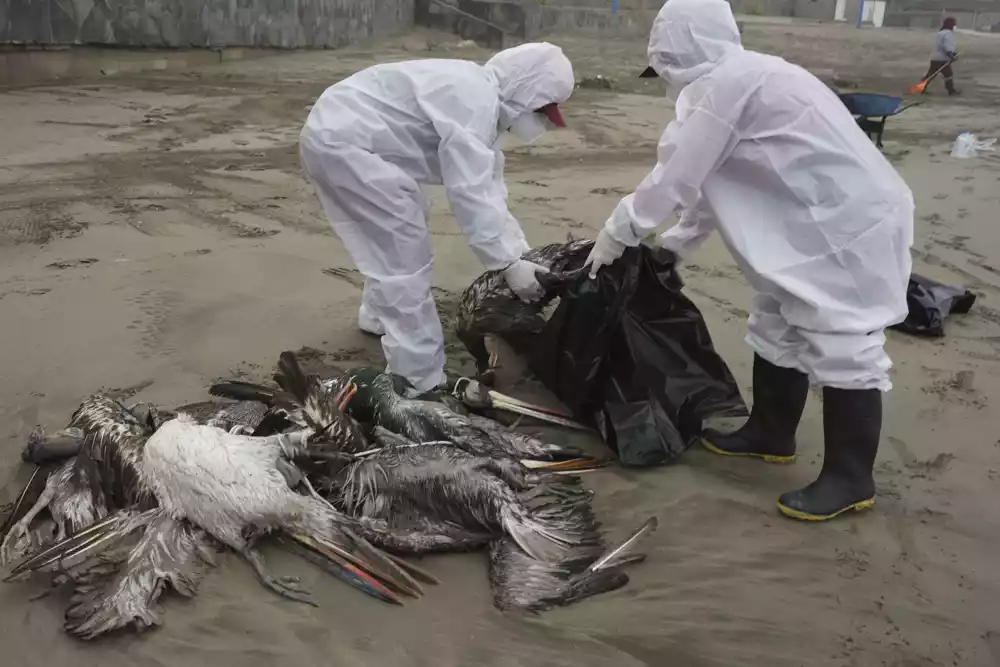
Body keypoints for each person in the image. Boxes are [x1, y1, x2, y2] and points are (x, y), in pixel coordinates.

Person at [585, 0, 914, 522]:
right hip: (811, 220)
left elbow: (675, 180)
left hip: (847, 224)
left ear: (679, 51)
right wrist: (676, 246)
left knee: (843, 339)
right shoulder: (741, 80)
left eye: (665, 63)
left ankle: (851, 478)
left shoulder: (731, 86)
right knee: (775, 319)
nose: (666, 76)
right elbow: (714, 183)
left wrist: (614, 235)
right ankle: (771, 433)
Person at [300, 43, 574, 393]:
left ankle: (378, 315)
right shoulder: (474, 101)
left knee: (397, 230)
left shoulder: (480, 97)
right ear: (525, 92)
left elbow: (490, 184)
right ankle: (416, 378)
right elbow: (471, 194)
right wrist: (507, 262)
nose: (540, 124)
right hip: (347, 143)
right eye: (540, 112)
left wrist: (521, 256)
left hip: (347, 134)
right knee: (404, 255)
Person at [925, 17, 960, 96]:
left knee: (931, 74)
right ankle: (951, 91)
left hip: (935, 58)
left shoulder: (941, 32)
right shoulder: (948, 34)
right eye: (954, 24)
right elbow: (947, 47)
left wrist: (952, 54)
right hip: (942, 59)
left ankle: (921, 88)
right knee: (948, 74)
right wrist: (951, 56)